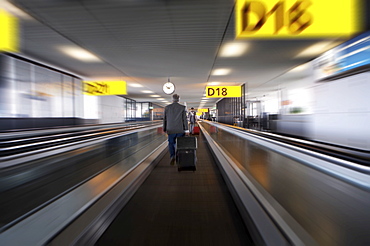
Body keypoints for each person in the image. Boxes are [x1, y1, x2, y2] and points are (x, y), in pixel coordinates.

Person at [163, 94, 189, 165]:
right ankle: (178, 155)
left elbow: (165, 119)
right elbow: (184, 119)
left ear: (172, 99)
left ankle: (172, 156)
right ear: (178, 100)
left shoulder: (167, 108)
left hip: (170, 129)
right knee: (179, 144)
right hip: (180, 129)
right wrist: (186, 129)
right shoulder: (182, 107)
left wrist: (164, 128)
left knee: (171, 143)